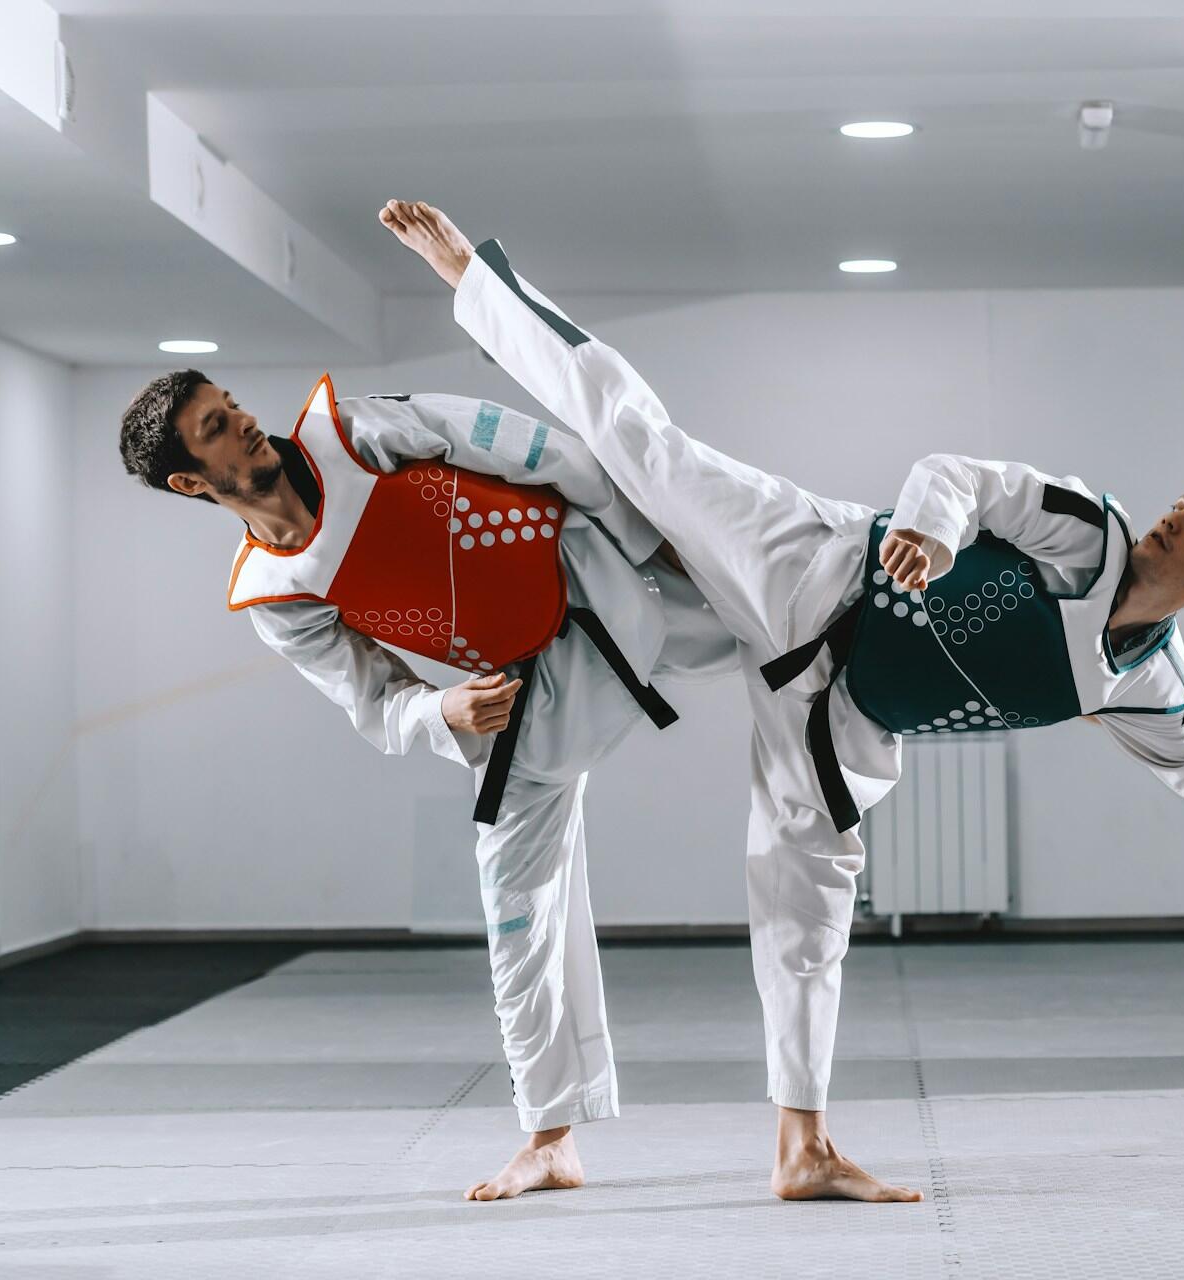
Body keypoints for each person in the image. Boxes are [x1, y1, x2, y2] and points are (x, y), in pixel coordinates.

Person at [379, 198, 1184, 1204]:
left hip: (841, 714)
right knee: (640, 439)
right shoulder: (1092, 527)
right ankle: (474, 277)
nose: (1174, 518)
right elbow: (960, 476)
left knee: (808, 900)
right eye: (1183, 504)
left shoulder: (1147, 681)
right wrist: (937, 534)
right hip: (811, 570)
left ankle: (802, 1147)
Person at [117, 361, 736, 1201]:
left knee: (793, 618)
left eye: (231, 406)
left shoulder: (356, 434)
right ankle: (550, 1137)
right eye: (215, 427)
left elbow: (527, 445)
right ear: (192, 479)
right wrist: (443, 709)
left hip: (604, 569)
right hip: (524, 690)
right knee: (512, 905)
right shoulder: (277, 594)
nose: (244, 422)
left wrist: (647, 529)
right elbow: (372, 698)